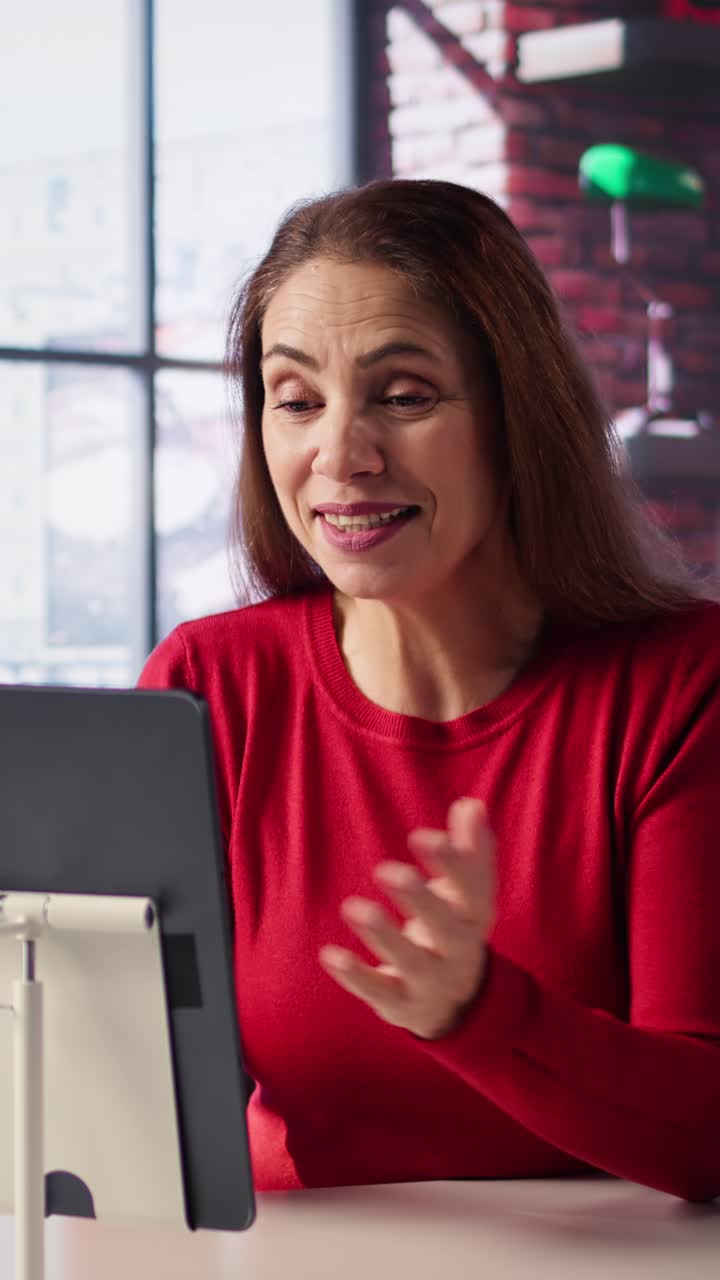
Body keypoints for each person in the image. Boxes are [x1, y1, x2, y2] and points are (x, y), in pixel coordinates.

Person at [138, 178, 720, 1200]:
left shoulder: (683, 683)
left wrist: (483, 1013)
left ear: (518, 414)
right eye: (296, 400)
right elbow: (132, 1104)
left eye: (404, 396)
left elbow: (707, 1131)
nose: (341, 454)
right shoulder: (206, 685)